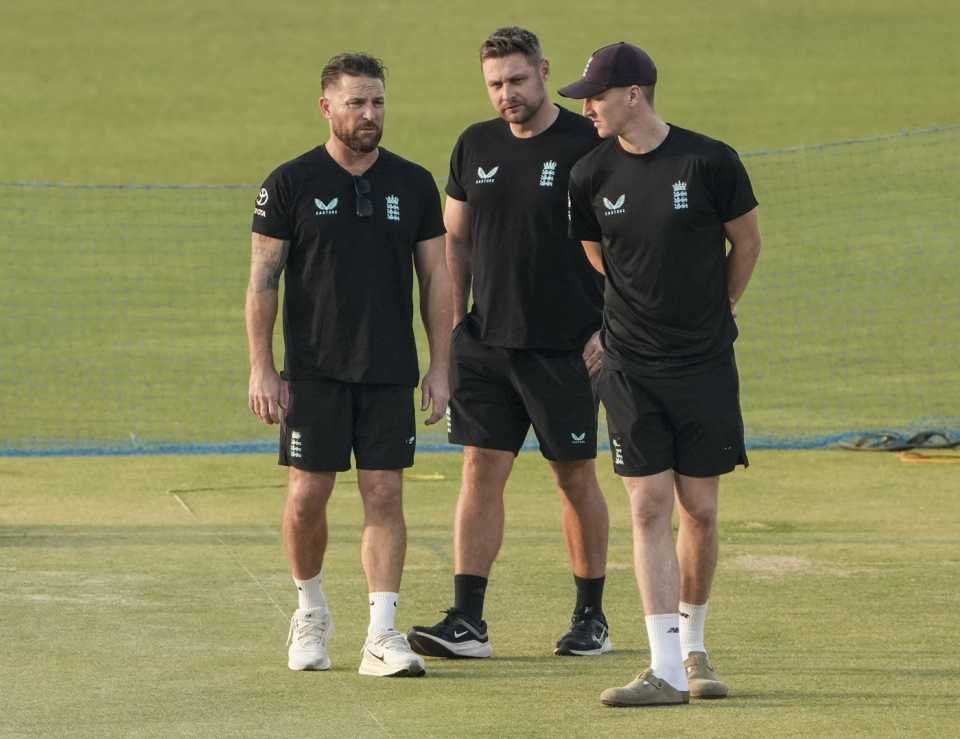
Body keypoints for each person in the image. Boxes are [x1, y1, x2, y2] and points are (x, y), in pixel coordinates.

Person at [560, 42, 762, 705]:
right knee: (647, 504)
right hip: (629, 365)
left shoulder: (709, 161)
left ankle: (695, 645)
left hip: (703, 362)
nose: (586, 105)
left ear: (634, 95)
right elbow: (599, 255)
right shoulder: (590, 173)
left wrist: (722, 306)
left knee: (698, 508)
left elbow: (748, 241)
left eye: (596, 94)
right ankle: (665, 666)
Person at [407, 27, 612, 660]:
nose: (506, 94)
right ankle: (468, 621)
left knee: (573, 476)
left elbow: (628, 244)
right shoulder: (475, 144)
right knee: (479, 471)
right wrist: (455, 322)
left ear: (544, 71)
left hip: (569, 348)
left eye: (517, 80)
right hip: (487, 346)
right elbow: (455, 240)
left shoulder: (589, 145)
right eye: (495, 84)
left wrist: (611, 328)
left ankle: (591, 620)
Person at [246, 52, 451, 678]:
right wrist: (263, 366)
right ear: (326, 106)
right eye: (357, 102)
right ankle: (309, 612)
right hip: (313, 371)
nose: (369, 114)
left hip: (389, 369)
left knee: (384, 492)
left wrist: (442, 364)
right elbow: (263, 280)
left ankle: (382, 635)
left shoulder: (413, 183)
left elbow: (437, 277)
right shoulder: (288, 183)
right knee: (308, 496)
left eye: (378, 101)